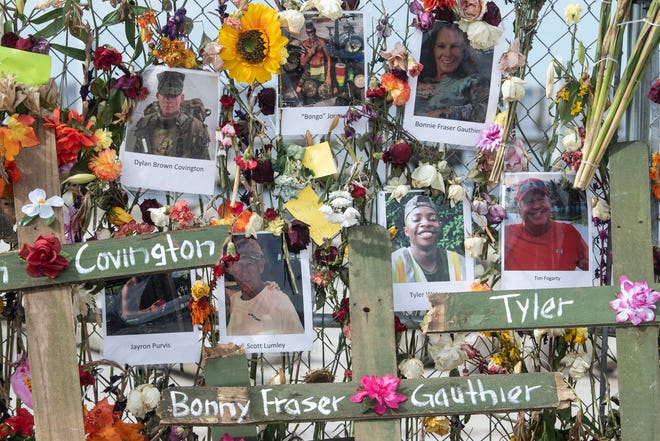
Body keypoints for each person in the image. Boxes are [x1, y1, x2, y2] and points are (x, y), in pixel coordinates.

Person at [504, 178, 589, 271]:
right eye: (529, 201)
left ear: (550, 203)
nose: (536, 206)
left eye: (541, 199)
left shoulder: (569, 232)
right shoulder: (507, 234)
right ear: (519, 210)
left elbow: (592, 269)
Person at [225, 238, 305, 335]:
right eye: (239, 265)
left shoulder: (279, 300)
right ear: (231, 270)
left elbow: (297, 342)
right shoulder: (232, 301)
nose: (244, 272)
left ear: (261, 266)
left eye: (249, 264)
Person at [414, 22, 489, 122]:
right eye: (441, 46)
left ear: (465, 51)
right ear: (433, 49)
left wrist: (445, 112)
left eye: (455, 46)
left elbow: (484, 113)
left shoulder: (474, 81)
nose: (448, 54)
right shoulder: (417, 81)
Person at [129, 70, 210, 159]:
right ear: (157, 96)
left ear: (182, 98)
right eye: (165, 95)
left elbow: (204, 166)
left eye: (173, 96)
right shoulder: (145, 123)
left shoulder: (195, 127)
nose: (168, 100)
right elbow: (136, 158)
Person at [391, 195, 465, 283]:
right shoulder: (393, 264)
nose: (426, 223)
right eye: (416, 219)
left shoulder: (459, 262)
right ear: (406, 231)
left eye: (432, 219)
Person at [296, 22, 333, 96]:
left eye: (312, 31)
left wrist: (328, 75)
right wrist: (310, 54)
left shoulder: (322, 42)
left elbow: (329, 59)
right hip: (309, 71)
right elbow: (302, 63)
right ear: (306, 32)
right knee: (298, 90)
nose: (311, 34)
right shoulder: (304, 44)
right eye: (309, 32)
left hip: (322, 71)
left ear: (315, 30)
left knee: (328, 92)